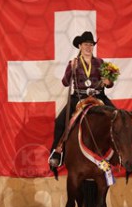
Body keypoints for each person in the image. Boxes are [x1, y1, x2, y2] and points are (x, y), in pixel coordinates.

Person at [48, 31, 115, 168]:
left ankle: (119, 154)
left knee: (118, 116)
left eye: (91, 45)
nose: (88, 47)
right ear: (80, 46)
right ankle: (57, 152)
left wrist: (108, 82)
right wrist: (70, 70)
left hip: (98, 96)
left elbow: (110, 84)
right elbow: (65, 83)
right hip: (79, 97)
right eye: (85, 44)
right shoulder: (74, 63)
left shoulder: (101, 63)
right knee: (60, 121)